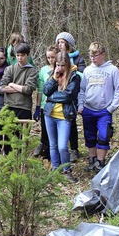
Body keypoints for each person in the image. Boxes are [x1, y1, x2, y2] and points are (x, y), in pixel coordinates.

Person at [78, 42, 119, 172]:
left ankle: (100, 161)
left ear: (103, 55)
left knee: (104, 135)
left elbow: (118, 90)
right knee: (89, 135)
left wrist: (111, 108)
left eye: (95, 55)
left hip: (104, 110)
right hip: (88, 108)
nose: (93, 58)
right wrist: (81, 105)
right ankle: (92, 159)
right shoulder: (87, 70)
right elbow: (82, 90)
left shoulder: (112, 70)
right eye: (91, 55)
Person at [43, 51, 81, 183]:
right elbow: (46, 91)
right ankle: (56, 169)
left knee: (62, 146)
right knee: (52, 145)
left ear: (68, 65)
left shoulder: (74, 77)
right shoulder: (53, 75)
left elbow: (68, 96)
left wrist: (51, 98)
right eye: (58, 65)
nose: (60, 68)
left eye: (63, 65)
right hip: (50, 114)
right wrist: (54, 77)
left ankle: (66, 170)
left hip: (64, 115)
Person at [56, 31, 86, 161]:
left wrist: (71, 69)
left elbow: (82, 74)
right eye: (59, 42)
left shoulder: (78, 58)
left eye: (63, 42)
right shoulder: (57, 58)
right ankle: (60, 149)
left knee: (71, 122)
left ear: (69, 44)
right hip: (59, 93)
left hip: (73, 93)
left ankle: (74, 149)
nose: (60, 44)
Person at [33, 46, 58, 160]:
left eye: (53, 57)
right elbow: (40, 89)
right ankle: (45, 152)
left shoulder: (62, 69)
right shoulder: (43, 70)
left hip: (57, 105)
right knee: (45, 130)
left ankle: (55, 155)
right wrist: (38, 107)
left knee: (55, 132)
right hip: (45, 105)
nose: (51, 60)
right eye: (48, 57)